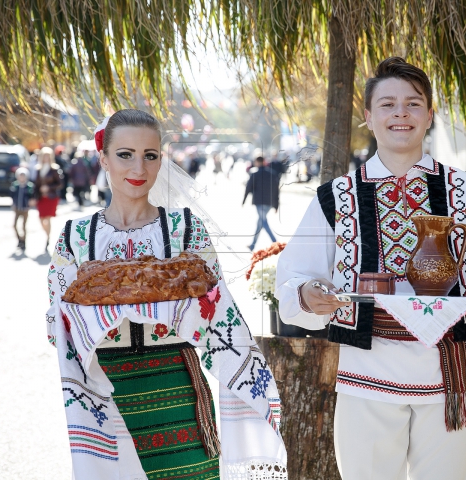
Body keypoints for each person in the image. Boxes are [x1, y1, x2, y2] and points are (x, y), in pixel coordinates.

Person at [275, 57, 466, 480]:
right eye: (387, 104)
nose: (401, 113)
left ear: (430, 115)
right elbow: (293, 277)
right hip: (366, 370)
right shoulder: (336, 197)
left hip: (449, 371)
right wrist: (308, 295)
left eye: (414, 103)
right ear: (368, 116)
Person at [46, 109, 287, 479]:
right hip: (103, 390)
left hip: (177, 385)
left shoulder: (186, 228)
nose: (138, 167)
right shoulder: (74, 236)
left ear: (162, 159)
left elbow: (217, 313)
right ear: (104, 158)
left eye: (150, 155)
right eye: (125, 154)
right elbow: (58, 328)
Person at [242, 156, 279, 251]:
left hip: (259, 202)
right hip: (269, 202)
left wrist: (243, 201)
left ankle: (275, 242)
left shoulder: (254, 173)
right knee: (260, 223)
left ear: (258, 162)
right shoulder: (272, 173)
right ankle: (253, 245)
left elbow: (248, 188)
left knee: (263, 222)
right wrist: (276, 205)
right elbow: (276, 190)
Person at [34, 147, 62, 250]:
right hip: (41, 197)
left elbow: (59, 184)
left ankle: (47, 239)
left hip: (51, 197)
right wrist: (33, 196)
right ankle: (47, 235)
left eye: (47, 156)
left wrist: (48, 188)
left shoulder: (54, 169)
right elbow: (35, 185)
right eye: (44, 156)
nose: (46, 158)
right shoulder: (38, 169)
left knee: (48, 218)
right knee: (41, 218)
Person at [10, 167, 35, 250]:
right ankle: (19, 239)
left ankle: (24, 241)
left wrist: (30, 203)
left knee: (23, 226)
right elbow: (12, 195)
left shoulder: (29, 186)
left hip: (25, 208)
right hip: (17, 208)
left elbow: (32, 196)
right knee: (14, 225)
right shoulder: (15, 185)